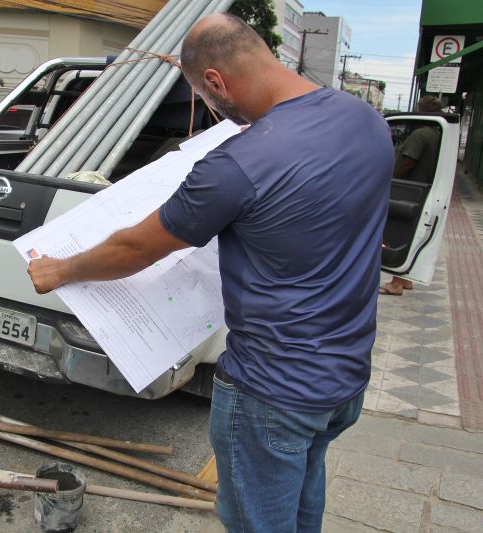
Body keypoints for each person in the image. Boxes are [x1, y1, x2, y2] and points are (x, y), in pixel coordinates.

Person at [27, 14, 393, 533]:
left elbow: (134, 248)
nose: (215, 111)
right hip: (345, 380)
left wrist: (59, 268)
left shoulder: (235, 164)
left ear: (216, 83)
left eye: (206, 97)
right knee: (302, 507)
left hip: (272, 393)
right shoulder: (365, 121)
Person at [379, 95, 444, 296]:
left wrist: (390, 177)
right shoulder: (436, 133)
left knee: (398, 232)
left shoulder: (420, 135)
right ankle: (405, 279)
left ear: (419, 110)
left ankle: (396, 283)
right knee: (414, 232)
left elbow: (407, 161)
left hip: (408, 189)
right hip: (424, 189)